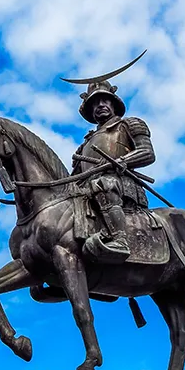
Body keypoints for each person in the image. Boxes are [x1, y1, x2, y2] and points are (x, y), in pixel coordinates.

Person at [71, 80, 155, 262]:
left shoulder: (129, 124)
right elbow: (75, 179)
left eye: (105, 100)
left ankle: (120, 240)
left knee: (104, 184)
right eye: (95, 103)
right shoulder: (84, 145)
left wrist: (121, 161)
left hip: (120, 185)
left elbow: (147, 152)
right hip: (87, 191)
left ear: (114, 103)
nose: (100, 105)